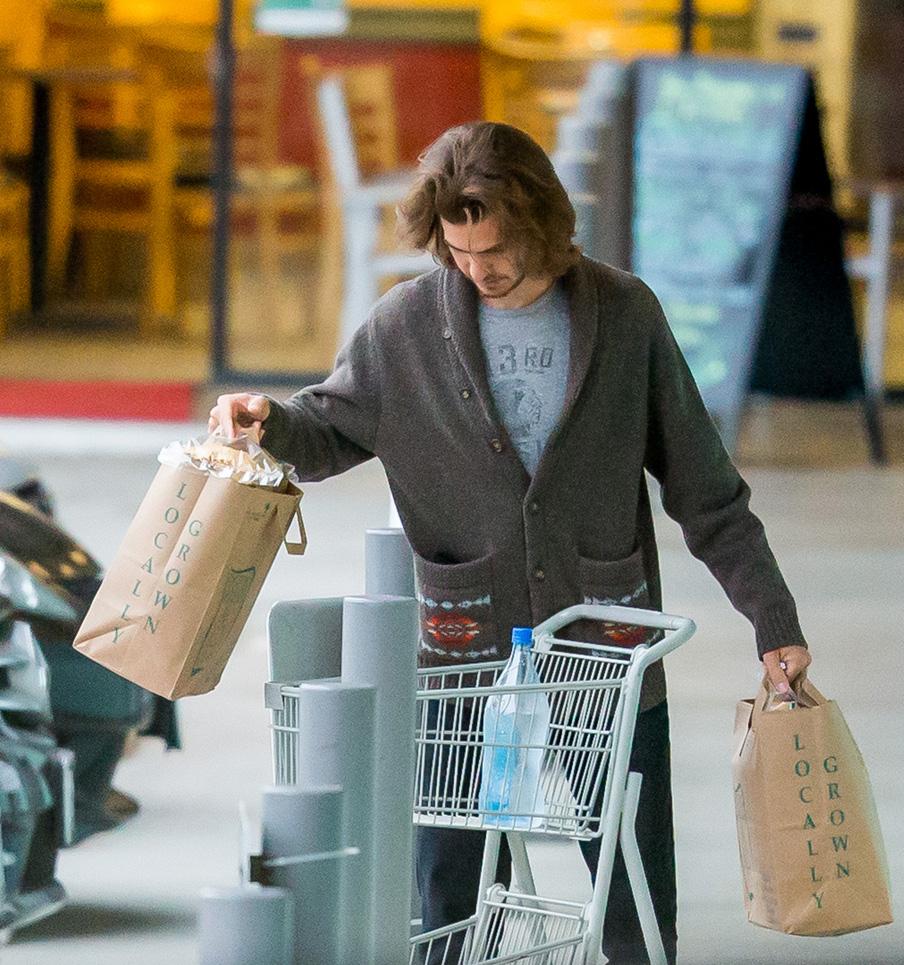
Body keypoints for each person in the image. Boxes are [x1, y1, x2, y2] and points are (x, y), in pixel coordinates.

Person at [210, 121, 811, 963]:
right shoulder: (408, 327)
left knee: (633, 877)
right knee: (445, 887)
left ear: (544, 226)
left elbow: (708, 492)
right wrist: (268, 420)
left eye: (494, 249)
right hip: (462, 645)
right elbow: (328, 429)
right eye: (457, 251)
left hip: (607, 640)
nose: (476, 269)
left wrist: (773, 619)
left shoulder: (625, 317)